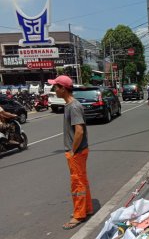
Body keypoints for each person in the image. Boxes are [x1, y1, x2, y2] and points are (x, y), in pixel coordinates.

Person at [48, 75, 93, 230]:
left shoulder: (73, 106)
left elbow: (79, 131)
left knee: (77, 184)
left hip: (77, 152)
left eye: (56, 87)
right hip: (79, 151)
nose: (54, 90)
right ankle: (86, 209)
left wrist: (73, 151)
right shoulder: (70, 105)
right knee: (82, 181)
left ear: (63, 89)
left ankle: (79, 215)